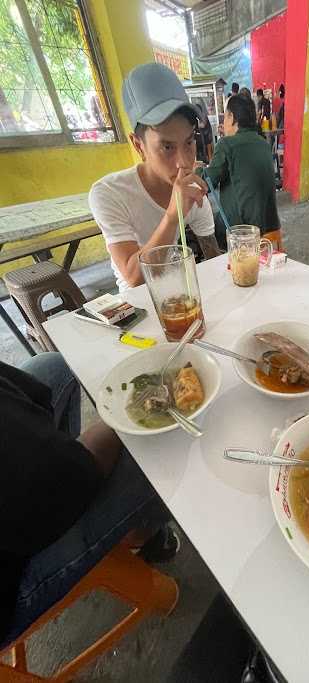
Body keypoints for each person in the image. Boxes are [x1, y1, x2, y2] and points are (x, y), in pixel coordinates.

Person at [0, 353, 175, 648]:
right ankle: (143, 538)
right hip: (12, 586)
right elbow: (69, 476)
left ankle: (109, 519)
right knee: (150, 447)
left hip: (25, 499)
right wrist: (122, 414)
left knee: (55, 368)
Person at [89, 63, 221, 293]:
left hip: (182, 297)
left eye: (189, 142)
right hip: (137, 311)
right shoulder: (109, 193)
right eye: (167, 147)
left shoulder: (193, 192)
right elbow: (133, 277)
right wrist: (173, 214)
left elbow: (214, 261)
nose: (183, 162)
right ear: (138, 146)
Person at [201, 94, 280, 250]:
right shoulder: (263, 143)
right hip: (271, 230)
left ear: (232, 117)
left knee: (212, 226)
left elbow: (207, 183)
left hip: (243, 236)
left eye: (225, 116)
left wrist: (195, 170)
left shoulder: (226, 144)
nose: (224, 122)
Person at [195, 99, 213, 163]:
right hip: (202, 137)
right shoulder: (198, 117)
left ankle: (209, 160)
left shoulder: (203, 116)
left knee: (208, 146)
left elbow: (203, 125)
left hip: (206, 136)